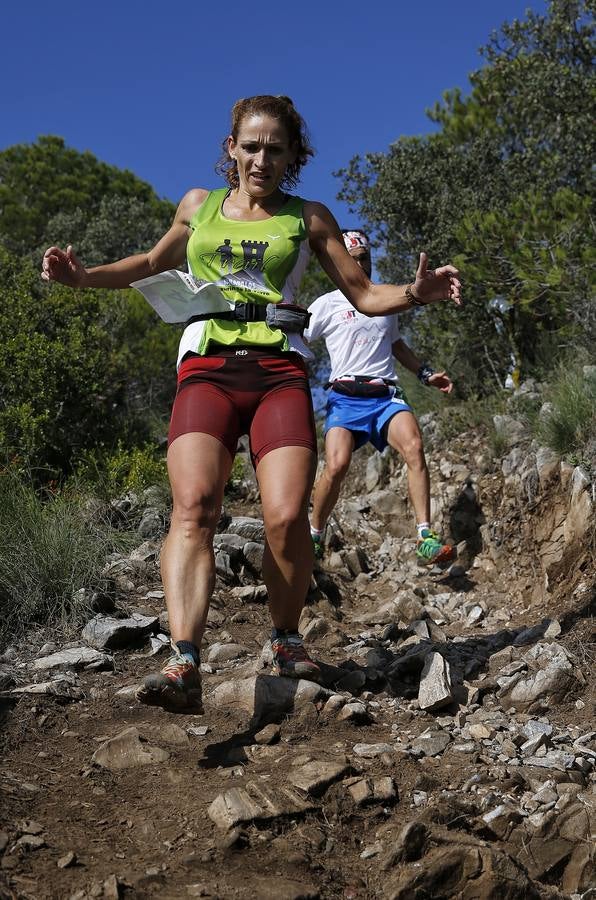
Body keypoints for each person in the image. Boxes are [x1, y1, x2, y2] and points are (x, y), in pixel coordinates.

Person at [41, 95, 461, 711]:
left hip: (278, 374)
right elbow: (152, 263)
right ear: (232, 148)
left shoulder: (308, 217)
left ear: (293, 156)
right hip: (206, 368)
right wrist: (84, 277)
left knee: (287, 517)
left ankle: (287, 639)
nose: (261, 157)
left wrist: (415, 294)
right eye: (251, 145)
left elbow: (365, 294)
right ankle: (184, 658)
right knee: (194, 507)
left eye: (275, 147)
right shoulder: (198, 206)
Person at [305, 229, 455, 566]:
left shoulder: (387, 299)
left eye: (365, 258)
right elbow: (298, 340)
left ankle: (425, 537)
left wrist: (426, 374)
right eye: (353, 259)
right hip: (345, 396)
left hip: (385, 394)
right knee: (337, 465)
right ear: (340, 261)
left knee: (414, 447)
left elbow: (397, 345)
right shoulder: (327, 304)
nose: (361, 265)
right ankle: (314, 534)